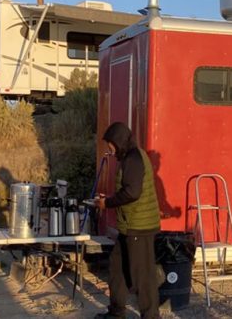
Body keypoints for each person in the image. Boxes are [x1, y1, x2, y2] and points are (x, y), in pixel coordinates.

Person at [95, 122, 161, 318]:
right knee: (117, 269)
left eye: (110, 145)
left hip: (139, 227)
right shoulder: (130, 157)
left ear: (119, 141)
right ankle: (116, 312)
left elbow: (132, 192)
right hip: (128, 226)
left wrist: (107, 203)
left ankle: (150, 316)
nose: (109, 149)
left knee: (143, 278)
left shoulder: (133, 159)